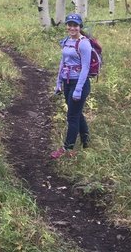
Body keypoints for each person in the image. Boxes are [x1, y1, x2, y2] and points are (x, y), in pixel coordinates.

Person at [50, 12, 92, 159]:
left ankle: (67, 148)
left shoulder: (84, 43)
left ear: (80, 26)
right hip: (67, 82)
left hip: (79, 83)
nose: (72, 28)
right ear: (67, 26)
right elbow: (63, 62)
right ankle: (86, 141)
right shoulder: (67, 40)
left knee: (72, 116)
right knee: (77, 113)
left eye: (75, 25)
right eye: (70, 25)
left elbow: (85, 67)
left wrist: (78, 89)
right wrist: (58, 82)